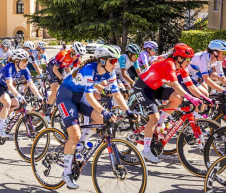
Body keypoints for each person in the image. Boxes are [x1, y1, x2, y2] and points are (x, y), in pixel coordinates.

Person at [57, 45, 138, 188]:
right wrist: (105, 111)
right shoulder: (89, 70)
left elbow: (117, 94)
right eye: (113, 61)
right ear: (102, 61)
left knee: (101, 120)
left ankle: (80, 143)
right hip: (65, 96)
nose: (116, 64)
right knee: (74, 134)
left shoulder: (110, 72)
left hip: (79, 95)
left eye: (116, 61)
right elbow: (89, 97)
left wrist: (127, 111)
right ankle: (67, 172)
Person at [133, 43, 210, 163]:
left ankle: (161, 122)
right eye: (188, 59)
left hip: (155, 87)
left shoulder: (181, 68)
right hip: (143, 88)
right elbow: (175, 85)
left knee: (177, 97)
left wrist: (204, 97)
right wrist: (191, 98)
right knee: (153, 118)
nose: (189, 62)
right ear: (179, 58)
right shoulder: (169, 63)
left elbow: (190, 86)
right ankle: (146, 151)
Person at [0, 49, 43, 138]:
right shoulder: (9, 67)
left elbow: (31, 84)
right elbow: (10, 85)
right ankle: (0, 130)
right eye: (24, 60)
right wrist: (19, 95)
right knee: (7, 102)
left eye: (27, 60)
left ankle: (5, 120)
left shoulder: (24, 69)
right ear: (16, 61)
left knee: (16, 104)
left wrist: (39, 97)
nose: (27, 63)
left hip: (5, 87)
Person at [44, 42, 86, 123]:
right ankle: (47, 112)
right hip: (52, 68)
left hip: (62, 68)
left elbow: (73, 71)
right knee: (55, 89)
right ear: (72, 51)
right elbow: (55, 70)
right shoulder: (62, 54)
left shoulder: (76, 59)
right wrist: (62, 79)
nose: (78, 57)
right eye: (77, 55)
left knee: (68, 86)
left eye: (80, 56)